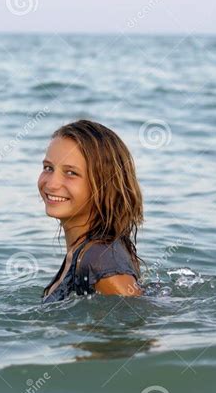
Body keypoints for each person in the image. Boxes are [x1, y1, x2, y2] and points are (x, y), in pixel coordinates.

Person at [38, 119, 144, 303]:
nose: (51, 184)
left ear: (103, 185)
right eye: (48, 168)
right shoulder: (86, 253)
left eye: (71, 173)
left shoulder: (100, 260)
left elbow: (138, 320)